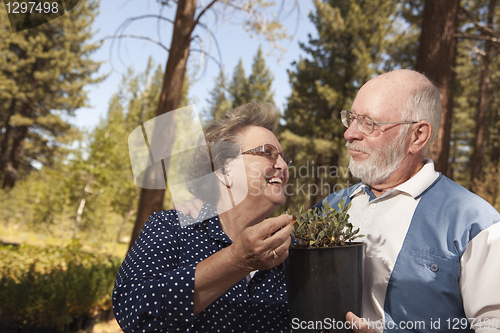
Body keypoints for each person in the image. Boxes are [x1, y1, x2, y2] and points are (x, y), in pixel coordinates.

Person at [314, 69, 500, 332]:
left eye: (368, 123)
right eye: (352, 119)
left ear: (417, 136)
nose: (350, 134)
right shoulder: (328, 209)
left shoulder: (474, 223)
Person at [112, 103, 294, 332]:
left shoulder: (295, 249)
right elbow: (134, 309)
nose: (283, 165)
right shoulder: (172, 227)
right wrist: (237, 260)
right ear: (225, 169)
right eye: (267, 153)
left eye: (283, 157)